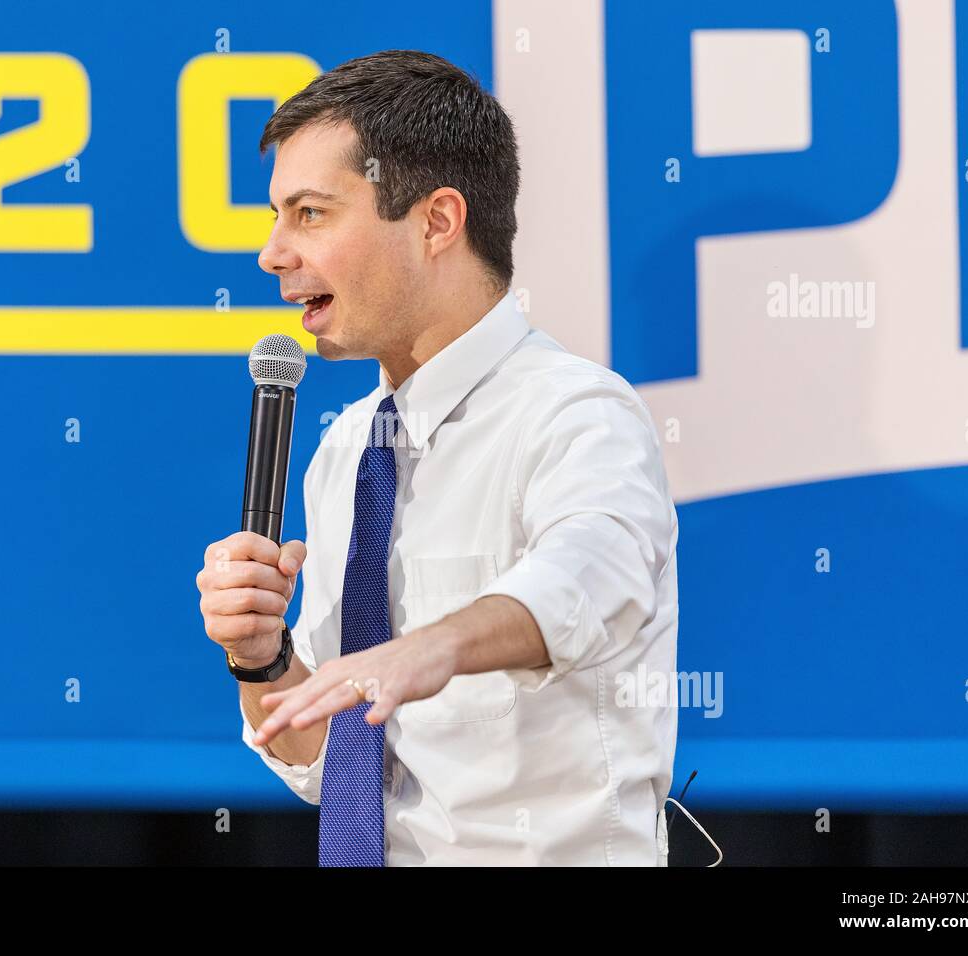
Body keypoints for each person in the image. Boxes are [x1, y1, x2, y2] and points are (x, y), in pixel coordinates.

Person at [194, 50, 678, 866]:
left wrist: (432, 648)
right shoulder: (345, 449)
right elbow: (336, 767)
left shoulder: (575, 414)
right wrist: (264, 658)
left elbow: (593, 579)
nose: (272, 253)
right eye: (276, 217)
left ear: (437, 221)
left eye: (310, 214)